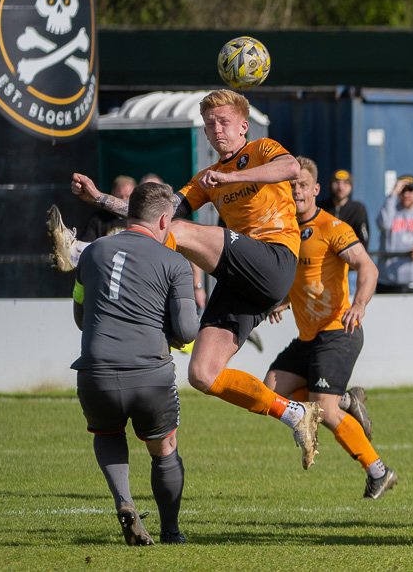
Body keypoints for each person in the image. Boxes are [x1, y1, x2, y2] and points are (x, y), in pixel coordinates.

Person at [60, 90, 326, 469]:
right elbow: (157, 219)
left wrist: (235, 176)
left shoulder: (264, 150)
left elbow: (291, 169)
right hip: (241, 280)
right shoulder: (206, 179)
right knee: (203, 374)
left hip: (275, 259)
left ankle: (83, 253)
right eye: (210, 124)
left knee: (183, 233)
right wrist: (102, 198)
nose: (216, 129)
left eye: (224, 122)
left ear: (243, 127)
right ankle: (295, 414)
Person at [71, 182, 197, 546]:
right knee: (164, 447)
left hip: (94, 373)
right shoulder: (175, 261)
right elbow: (187, 329)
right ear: (162, 220)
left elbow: (81, 313)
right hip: (149, 375)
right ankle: (171, 531)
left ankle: (125, 502)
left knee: (108, 434)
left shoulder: (92, 253)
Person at [262, 157, 396, 497]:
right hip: (309, 336)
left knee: (324, 407)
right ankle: (348, 402)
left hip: (339, 330)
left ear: (316, 189)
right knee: (271, 390)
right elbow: (305, 278)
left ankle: (378, 471)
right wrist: (284, 301)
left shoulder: (333, 228)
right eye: (291, 186)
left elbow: (368, 269)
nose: (297, 192)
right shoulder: (285, 230)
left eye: (303, 185)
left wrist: (360, 305)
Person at [321, 169, 370, 248]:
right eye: (337, 182)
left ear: (351, 186)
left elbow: (363, 239)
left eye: (345, 183)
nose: (341, 187)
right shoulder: (321, 208)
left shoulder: (358, 209)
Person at [79, 176, 136, 242]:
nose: (123, 200)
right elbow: (86, 243)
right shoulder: (98, 219)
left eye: (127, 196)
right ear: (113, 195)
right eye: (120, 196)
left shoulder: (137, 220)